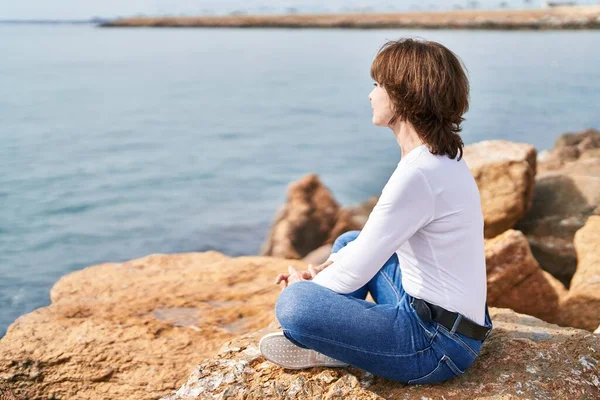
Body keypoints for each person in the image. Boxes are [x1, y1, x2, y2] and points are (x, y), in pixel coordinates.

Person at [258, 37, 493, 385]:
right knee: (349, 240)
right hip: (448, 322)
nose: (371, 94)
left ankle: (338, 343)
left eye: (378, 85)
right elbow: (367, 247)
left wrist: (309, 287)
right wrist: (324, 271)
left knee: (295, 305)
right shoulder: (441, 159)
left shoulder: (418, 174)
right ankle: (346, 339)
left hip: (436, 347)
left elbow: (352, 275)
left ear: (403, 95)